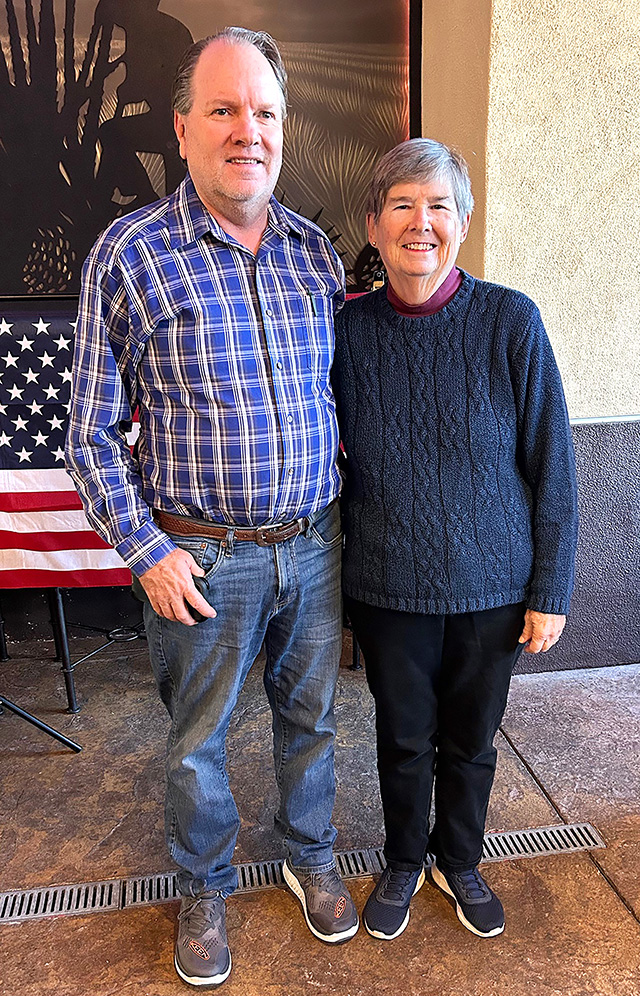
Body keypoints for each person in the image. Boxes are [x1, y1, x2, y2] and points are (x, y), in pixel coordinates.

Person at [66, 27, 358, 989]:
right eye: (225, 110)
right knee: (199, 742)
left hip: (312, 546)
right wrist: (145, 549)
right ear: (184, 129)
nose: (248, 131)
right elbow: (89, 431)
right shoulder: (132, 255)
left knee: (311, 722)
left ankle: (312, 858)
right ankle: (204, 885)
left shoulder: (315, 256)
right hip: (200, 558)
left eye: (265, 112)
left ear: (285, 130)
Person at [332, 138, 578, 942]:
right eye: (402, 204)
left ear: (462, 223)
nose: (420, 223)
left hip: (494, 588)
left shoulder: (512, 321)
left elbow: (554, 464)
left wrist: (550, 592)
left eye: (438, 205)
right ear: (374, 222)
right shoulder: (349, 333)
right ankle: (406, 858)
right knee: (402, 741)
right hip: (387, 586)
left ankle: (458, 859)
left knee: (470, 741)